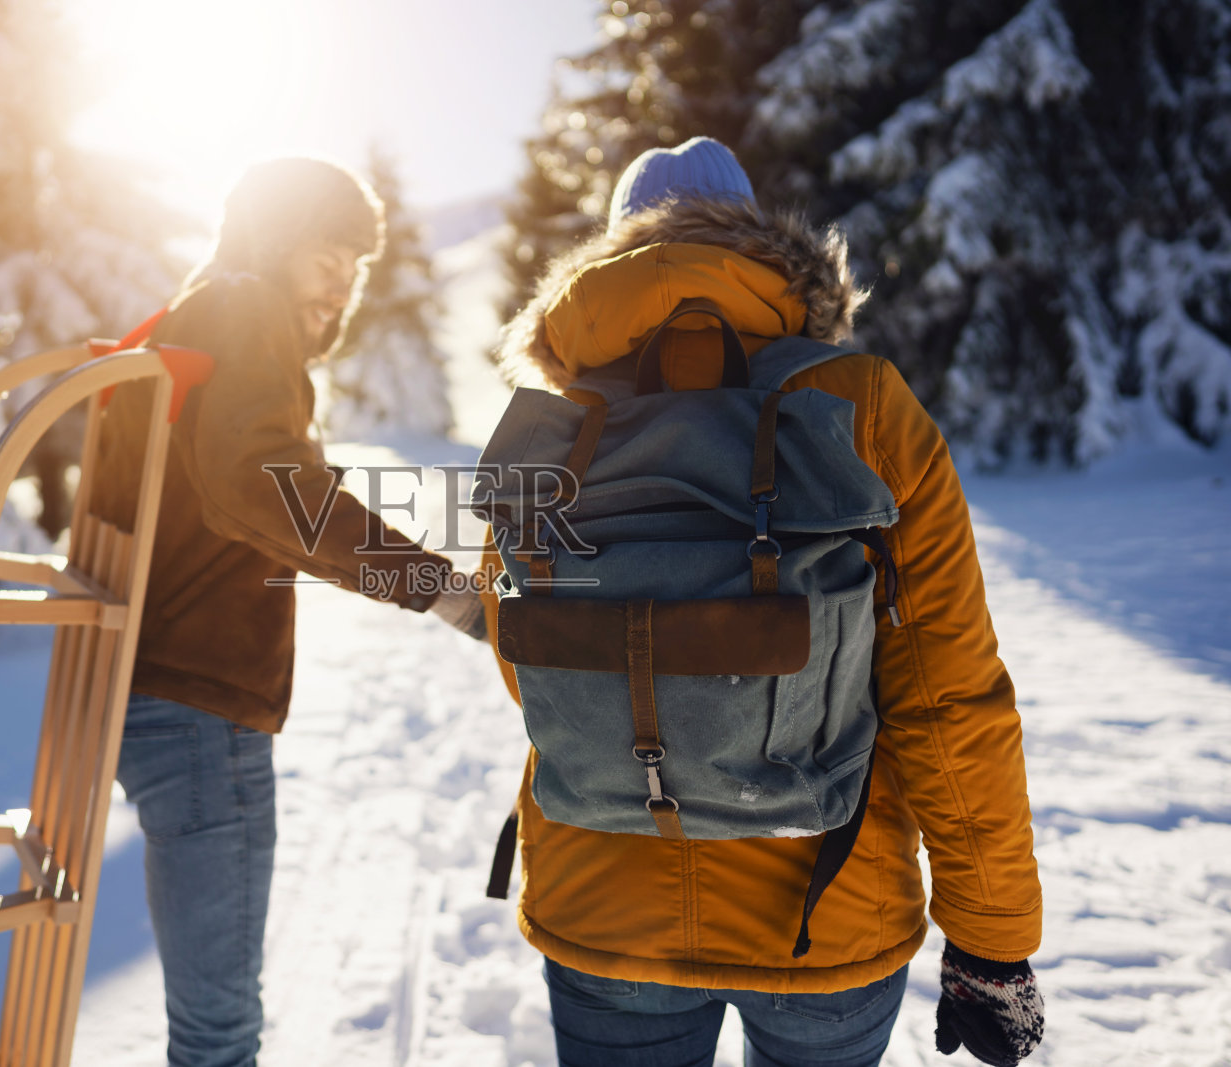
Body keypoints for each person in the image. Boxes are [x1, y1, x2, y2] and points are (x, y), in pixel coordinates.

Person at [480, 137, 1044, 1067]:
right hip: (826, 906)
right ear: (763, 252)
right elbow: (946, 692)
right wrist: (993, 936)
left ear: (613, 254)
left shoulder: (551, 432)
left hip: (603, 901)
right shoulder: (858, 407)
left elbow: (523, 656)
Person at [89, 157, 483, 1067]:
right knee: (219, 1034)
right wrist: (439, 587)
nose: (342, 280)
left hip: (151, 694)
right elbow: (264, 489)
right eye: (325, 255)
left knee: (212, 1024)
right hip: (198, 705)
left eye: (355, 262)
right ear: (272, 245)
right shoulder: (242, 307)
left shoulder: (189, 320)